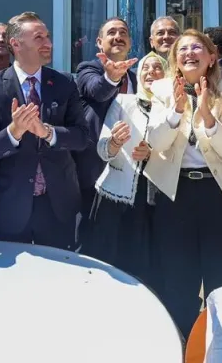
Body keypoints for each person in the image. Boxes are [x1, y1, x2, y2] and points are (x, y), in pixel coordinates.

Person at [145, 29, 222, 337]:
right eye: (182, 49)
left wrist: (206, 114)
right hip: (175, 193)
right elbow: (156, 141)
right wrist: (176, 111)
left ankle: (219, 343)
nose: (189, 53)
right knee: (178, 277)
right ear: (175, 59)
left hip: (217, 193)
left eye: (197, 48)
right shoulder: (161, 89)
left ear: (212, 57)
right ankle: (184, 342)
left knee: (221, 275)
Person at [0, 12, 92, 249]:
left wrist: (48, 132)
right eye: (39, 37)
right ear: (16, 44)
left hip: (57, 205)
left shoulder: (64, 83)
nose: (48, 43)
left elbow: (82, 138)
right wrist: (14, 132)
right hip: (10, 207)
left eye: (47, 36)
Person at [80, 52, 166, 283]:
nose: (151, 72)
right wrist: (115, 144)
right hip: (115, 198)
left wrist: (153, 154)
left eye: (158, 67)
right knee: (108, 268)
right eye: (145, 67)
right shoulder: (123, 102)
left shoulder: (175, 108)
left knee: (148, 271)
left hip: (156, 201)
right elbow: (102, 148)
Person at [73, 17, 139, 228]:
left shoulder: (136, 79)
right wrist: (112, 77)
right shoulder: (87, 69)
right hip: (95, 171)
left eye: (123, 33)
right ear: (99, 42)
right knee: (91, 236)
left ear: (130, 42)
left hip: (129, 172)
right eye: (111, 33)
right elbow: (97, 91)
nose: (118, 37)